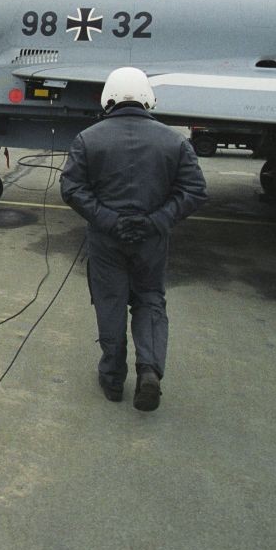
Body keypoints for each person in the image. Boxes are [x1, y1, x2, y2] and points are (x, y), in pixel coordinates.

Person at [60, 67, 207, 411]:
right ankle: (150, 370)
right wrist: (158, 220)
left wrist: (109, 219)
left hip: (106, 239)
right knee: (150, 300)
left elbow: (72, 188)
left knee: (110, 302)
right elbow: (195, 191)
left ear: (108, 97)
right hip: (152, 240)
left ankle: (113, 380)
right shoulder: (174, 141)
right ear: (147, 98)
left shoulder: (88, 138)